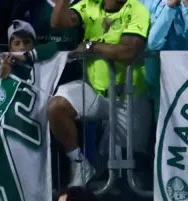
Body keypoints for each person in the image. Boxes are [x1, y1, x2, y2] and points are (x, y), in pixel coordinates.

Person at [47, 0, 153, 188]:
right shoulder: (90, 5)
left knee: (125, 166)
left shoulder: (137, 9)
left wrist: (90, 46)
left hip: (128, 97)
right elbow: (58, 23)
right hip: (94, 91)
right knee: (57, 107)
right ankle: (79, 163)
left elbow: (128, 51)